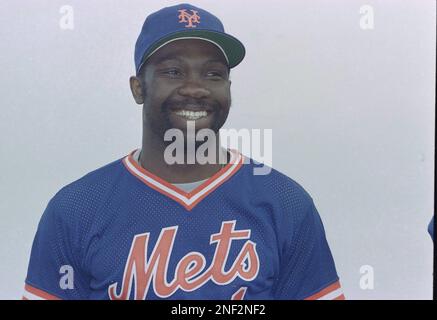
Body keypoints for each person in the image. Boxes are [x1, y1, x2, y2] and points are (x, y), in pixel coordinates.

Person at [23, 3, 344, 300]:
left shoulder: (284, 203)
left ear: (228, 88)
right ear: (138, 88)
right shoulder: (77, 208)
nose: (195, 87)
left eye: (213, 73)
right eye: (173, 71)